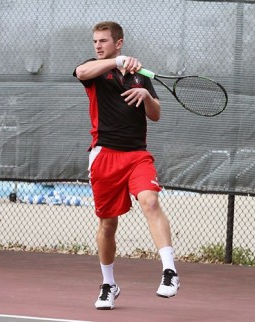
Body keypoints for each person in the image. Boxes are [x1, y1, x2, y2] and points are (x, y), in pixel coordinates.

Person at [73, 21, 180, 310]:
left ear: (118, 41)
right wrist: (115, 61)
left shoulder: (140, 77)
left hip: (136, 155)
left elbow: (156, 115)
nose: (97, 45)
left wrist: (146, 97)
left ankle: (170, 271)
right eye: (95, 41)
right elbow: (81, 72)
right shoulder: (95, 70)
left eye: (104, 41)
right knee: (108, 224)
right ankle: (108, 284)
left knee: (150, 202)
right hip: (104, 155)